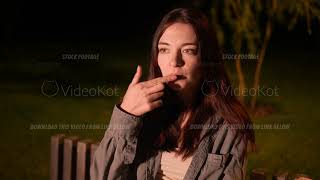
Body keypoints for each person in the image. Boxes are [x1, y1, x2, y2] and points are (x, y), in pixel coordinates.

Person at [90, 8, 255, 180]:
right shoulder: (142, 113)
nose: (174, 62)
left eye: (188, 50)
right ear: (156, 58)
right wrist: (126, 114)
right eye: (164, 49)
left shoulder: (230, 126)